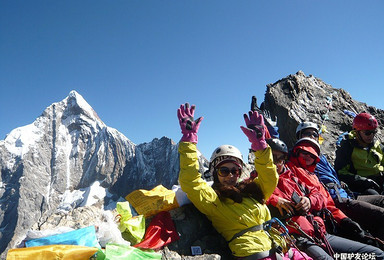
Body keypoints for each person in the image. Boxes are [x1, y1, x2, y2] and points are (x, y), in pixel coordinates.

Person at [177, 103, 293, 259]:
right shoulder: (213, 200)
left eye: (235, 170)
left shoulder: (251, 191)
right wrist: (189, 142)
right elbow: (190, 181)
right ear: (214, 172)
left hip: (281, 247)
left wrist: (261, 146)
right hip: (256, 255)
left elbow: (269, 176)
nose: (230, 175)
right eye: (224, 170)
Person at [267, 138, 384, 260]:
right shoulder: (262, 181)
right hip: (298, 237)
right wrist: (274, 199)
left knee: (375, 254)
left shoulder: (296, 177)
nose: (275, 162)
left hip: (320, 232)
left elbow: (320, 196)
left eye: (279, 158)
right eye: (271, 157)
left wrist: (309, 201)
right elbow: (251, 194)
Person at [296, 121, 384, 241]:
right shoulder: (298, 158)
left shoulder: (320, 157)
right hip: (337, 200)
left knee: (380, 200)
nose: (312, 137)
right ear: (299, 136)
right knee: (380, 214)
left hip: (345, 194)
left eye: (315, 134)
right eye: (307, 133)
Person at [334, 112, 384, 195]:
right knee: (376, 198)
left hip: (379, 181)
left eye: (373, 132)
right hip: (362, 185)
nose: (371, 136)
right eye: (367, 133)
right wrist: (363, 180)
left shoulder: (378, 146)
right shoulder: (347, 147)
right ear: (357, 132)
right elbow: (340, 172)